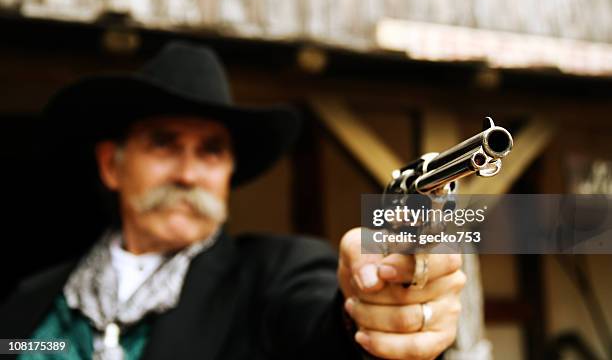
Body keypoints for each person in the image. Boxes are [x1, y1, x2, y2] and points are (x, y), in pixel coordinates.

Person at [0, 42, 465, 360]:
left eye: (211, 150)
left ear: (228, 172)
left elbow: (320, 332)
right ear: (111, 166)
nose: (187, 173)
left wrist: (370, 315)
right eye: (164, 144)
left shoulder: (276, 274)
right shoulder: (28, 301)